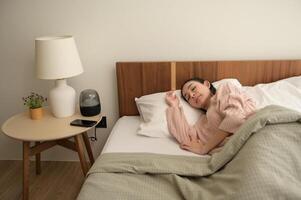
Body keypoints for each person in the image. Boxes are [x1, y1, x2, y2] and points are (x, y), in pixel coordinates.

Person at [165, 78, 256, 155]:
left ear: (207, 84)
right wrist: (174, 106)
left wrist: (205, 148)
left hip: (255, 134)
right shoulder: (202, 122)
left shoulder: (224, 89)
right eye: (188, 97)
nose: (192, 95)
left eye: (193, 88)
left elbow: (235, 117)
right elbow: (186, 140)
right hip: (237, 152)